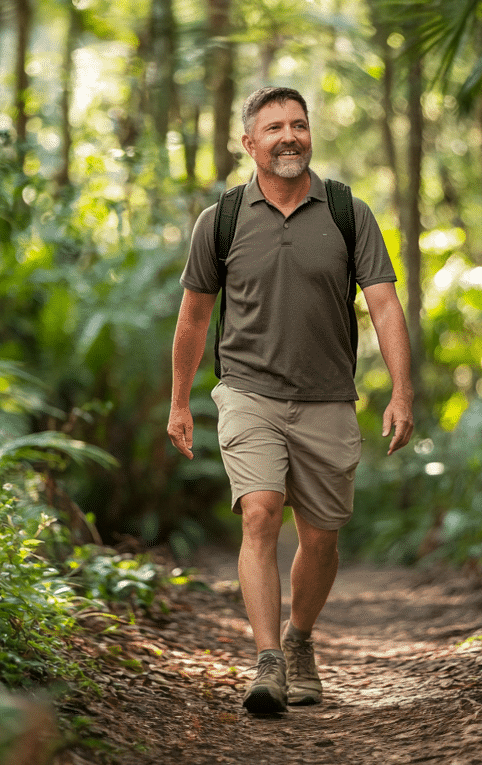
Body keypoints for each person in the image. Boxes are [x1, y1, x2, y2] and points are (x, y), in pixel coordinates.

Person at [166, 86, 414, 715]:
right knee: (259, 512)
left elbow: (383, 303)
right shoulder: (219, 220)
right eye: (273, 127)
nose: (289, 136)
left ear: (311, 135)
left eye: (299, 125)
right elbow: (194, 319)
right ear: (249, 144)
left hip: (329, 397)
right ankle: (269, 661)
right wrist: (177, 402)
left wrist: (401, 392)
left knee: (322, 536)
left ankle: (301, 640)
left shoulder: (346, 212)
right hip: (248, 392)